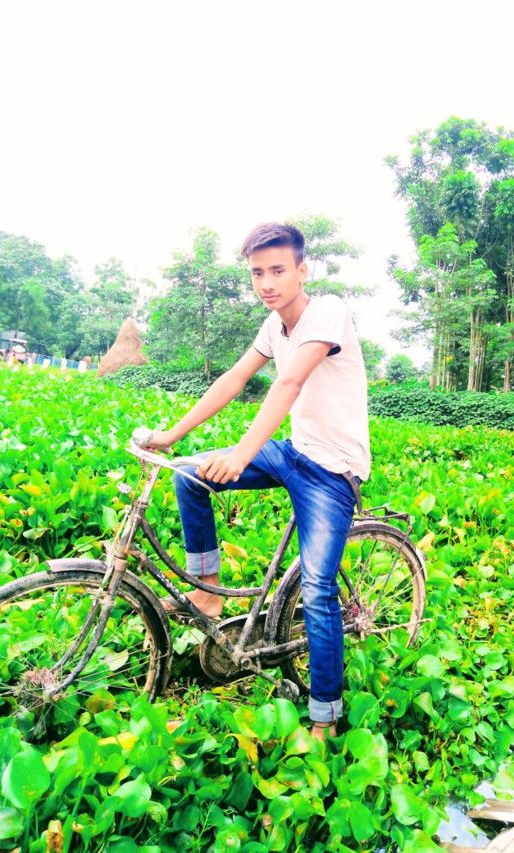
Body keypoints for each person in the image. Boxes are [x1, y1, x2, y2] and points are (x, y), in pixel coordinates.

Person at [146, 222, 370, 739]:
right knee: (189, 476)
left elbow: (289, 383)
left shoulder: (328, 311)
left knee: (317, 590)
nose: (266, 283)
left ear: (301, 270)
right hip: (293, 452)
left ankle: (325, 716)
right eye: (257, 273)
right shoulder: (273, 326)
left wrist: (241, 454)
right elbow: (235, 378)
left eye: (277, 270)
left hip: (333, 471)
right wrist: (173, 434)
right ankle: (209, 594)